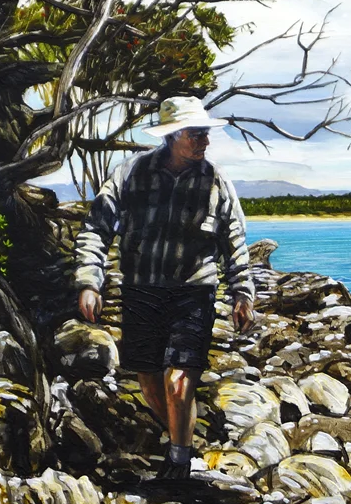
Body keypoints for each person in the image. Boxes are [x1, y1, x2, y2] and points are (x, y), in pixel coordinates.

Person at [73, 96, 254, 480]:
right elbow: (96, 230)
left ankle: (179, 461)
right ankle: (183, 437)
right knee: (150, 380)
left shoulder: (217, 182)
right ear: (172, 136)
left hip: (194, 292)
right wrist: (90, 281)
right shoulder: (129, 174)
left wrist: (242, 294)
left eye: (206, 133)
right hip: (142, 291)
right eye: (196, 134)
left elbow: (235, 241)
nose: (205, 141)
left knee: (179, 380)